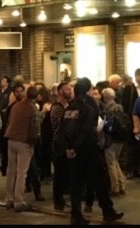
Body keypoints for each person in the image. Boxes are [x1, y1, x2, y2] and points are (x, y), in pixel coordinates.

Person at [58, 77, 123, 227]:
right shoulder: (87, 109)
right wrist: (75, 148)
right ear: (87, 90)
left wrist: (69, 148)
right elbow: (86, 131)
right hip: (88, 150)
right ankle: (108, 212)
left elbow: (63, 131)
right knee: (99, 182)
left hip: (73, 152)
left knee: (76, 185)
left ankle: (76, 216)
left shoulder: (69, 109)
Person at [4, 79, 38, 213]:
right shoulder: (32, 108)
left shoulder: (16, 106)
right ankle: (19, 201)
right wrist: (33, 143)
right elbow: (35, 128)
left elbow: (10, 121)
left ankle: (9, 198)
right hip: (24, 142)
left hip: (11, 139)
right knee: (21, 172)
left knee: (11, 170)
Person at [101, 87, 128, 196]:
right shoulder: (120, 107)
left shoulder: (107, 110)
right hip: (120, 138)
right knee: (116, 162)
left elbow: (106, 126)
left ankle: (115, 188)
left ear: (105, 97)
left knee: (111, 164)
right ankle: (122, 186)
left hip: (110, 139)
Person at [50, 81, 73, 211]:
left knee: (64, 173)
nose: (70, 91)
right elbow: (62, 125)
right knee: (59, 174)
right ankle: (57, 201)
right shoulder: (57, 108)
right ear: (60, 92)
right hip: (59, 144)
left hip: (67, 143)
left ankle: (62, 199)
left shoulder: (68, 106)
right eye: (67, 89)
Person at [121, 67, 140, 180]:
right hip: (132, 121)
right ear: (137, 77)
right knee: (131, 146)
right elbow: (125, 104)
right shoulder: (129, 89)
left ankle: (138, 168)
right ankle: (129, 169)